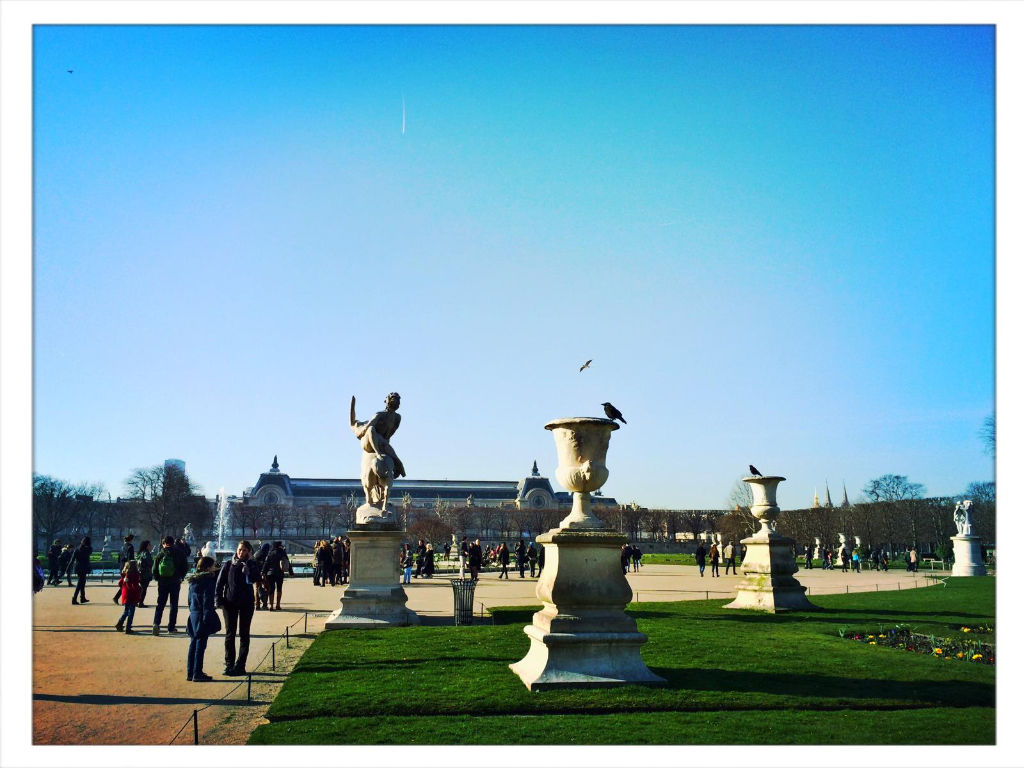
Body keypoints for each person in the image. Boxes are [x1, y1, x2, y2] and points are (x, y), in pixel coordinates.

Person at [216, 540, 261, 676]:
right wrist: (218, 599)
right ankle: (229, 664)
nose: (241, 552)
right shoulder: (229, 564)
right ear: (237, 550)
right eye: (240, 549)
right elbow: (220, 583)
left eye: (245, 550)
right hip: (230, 603)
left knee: (244, 634)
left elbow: (256, 578)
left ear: (249, 552)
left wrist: (249, 569)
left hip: (246, 603)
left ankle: (240, 665)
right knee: (230, 634)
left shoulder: (252, 564)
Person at [186, 556, 220, 682]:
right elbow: (207, 601)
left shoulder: (193, 580)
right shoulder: (208, 581)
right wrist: (208, 616)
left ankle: (191, 672)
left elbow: (189, 600)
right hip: (203, 614)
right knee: (201, 645)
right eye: (212, 566)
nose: (214, 568)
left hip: (194, 613)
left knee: (193, 643)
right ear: (207, 567)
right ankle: (197, 672)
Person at [152, 535, 188, 635]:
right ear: (173, 543)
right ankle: (171, 627)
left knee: (160, 604)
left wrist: (157, 578)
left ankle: (156, 623)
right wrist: (181, 577)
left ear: (164, 543)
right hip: (175, 581)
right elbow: (185, 567)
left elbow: (154, 568)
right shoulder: (180, 553)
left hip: (163, 582)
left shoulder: (160, 553)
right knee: (174, 605)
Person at [262, 541, 292, 611]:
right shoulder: (283, 553)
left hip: (270, 574)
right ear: (279, 546)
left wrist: (263, 572)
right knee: (279, 589)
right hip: (280, 574)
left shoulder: (270, 553)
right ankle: (278, 605)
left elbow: (266, 564)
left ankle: (271, 606)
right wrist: (291, 572)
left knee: (271, 589)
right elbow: (287, 562)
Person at [115, 559, 142, 633]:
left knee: (126, 611)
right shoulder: (135, 574)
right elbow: (135, 586)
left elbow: (120, 584)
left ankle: (120, 623)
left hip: (125, 595)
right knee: (131, 612)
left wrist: (124, 581)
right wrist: (139, 589)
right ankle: (128, 627)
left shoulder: (124, 574)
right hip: (132, 595)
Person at [113, 534, 136, 604]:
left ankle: (119, 598)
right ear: (131, 540)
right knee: (129, 584)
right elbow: (130, 559)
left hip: (122, 567)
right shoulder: (130, 547)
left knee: (125, 583)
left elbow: (119, 559)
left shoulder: (122, 547)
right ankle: (129, 600)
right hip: (128, 567)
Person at [71, 535, 93, 604]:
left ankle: (82, 597)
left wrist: (68, 568)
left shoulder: (77, 549)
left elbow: (72, 560)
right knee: (80, 584)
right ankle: (74, 598)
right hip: (84, 568)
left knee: (82, 583)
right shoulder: (88, 549)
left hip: (78, 568)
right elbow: (90, 552)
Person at [252, 542, 272, 609]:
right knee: (266, 589)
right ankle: (264, 605)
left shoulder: (256, 553)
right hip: (263, 574)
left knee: (257, 589)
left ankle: (257, 605)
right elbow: (266, 565)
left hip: (256, 574)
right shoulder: (266, 555)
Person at [136, 539, 153, 607]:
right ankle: (141, 602)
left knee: (141, 588)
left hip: (140, 572)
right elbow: (150, 563)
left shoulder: (140, 553)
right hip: (146, 572)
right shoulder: (146, 553)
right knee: (144, 589)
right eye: (149, 545)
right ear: (147, 546)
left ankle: (138, 601)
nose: (151, 546)